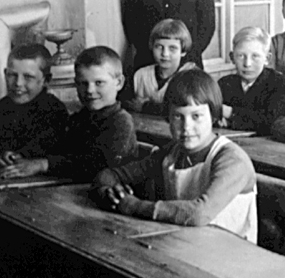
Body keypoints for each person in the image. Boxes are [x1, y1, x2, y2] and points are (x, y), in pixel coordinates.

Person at [91, 69, 258, 243]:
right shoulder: (171, 153)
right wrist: (110, 194)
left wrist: (132, 205)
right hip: (184, 244)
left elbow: (199, 214)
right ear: (168, 118)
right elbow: (108, 175)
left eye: (196, 116)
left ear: (213, 116)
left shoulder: (231, 159)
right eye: (178, 116)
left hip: (229, 253)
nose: (186, 127)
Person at [0, 46, 138, 180]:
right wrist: (20, 156)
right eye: (83, 83)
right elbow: (53, 144)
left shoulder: (121, 122)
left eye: (99, 83)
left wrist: (43, 164)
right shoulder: (81, 118)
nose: (89, 90)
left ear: (119, 83)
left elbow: (98, 166)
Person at [218, 27, 285, 136]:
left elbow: (270, 122)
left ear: (267, 59)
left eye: (255, 56)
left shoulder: (280, 84)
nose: (247, 64)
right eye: (241, 56)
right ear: (232, 57)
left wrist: (229, 113)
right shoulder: (224, 83)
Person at [128, 18, 198, 115]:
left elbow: (185, 109)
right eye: (159, 47)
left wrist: (146, 107)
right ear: (152, 47)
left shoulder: (191, 77)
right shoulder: (141, 75)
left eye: (172, 48)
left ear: (183, 51)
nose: (165, 54)